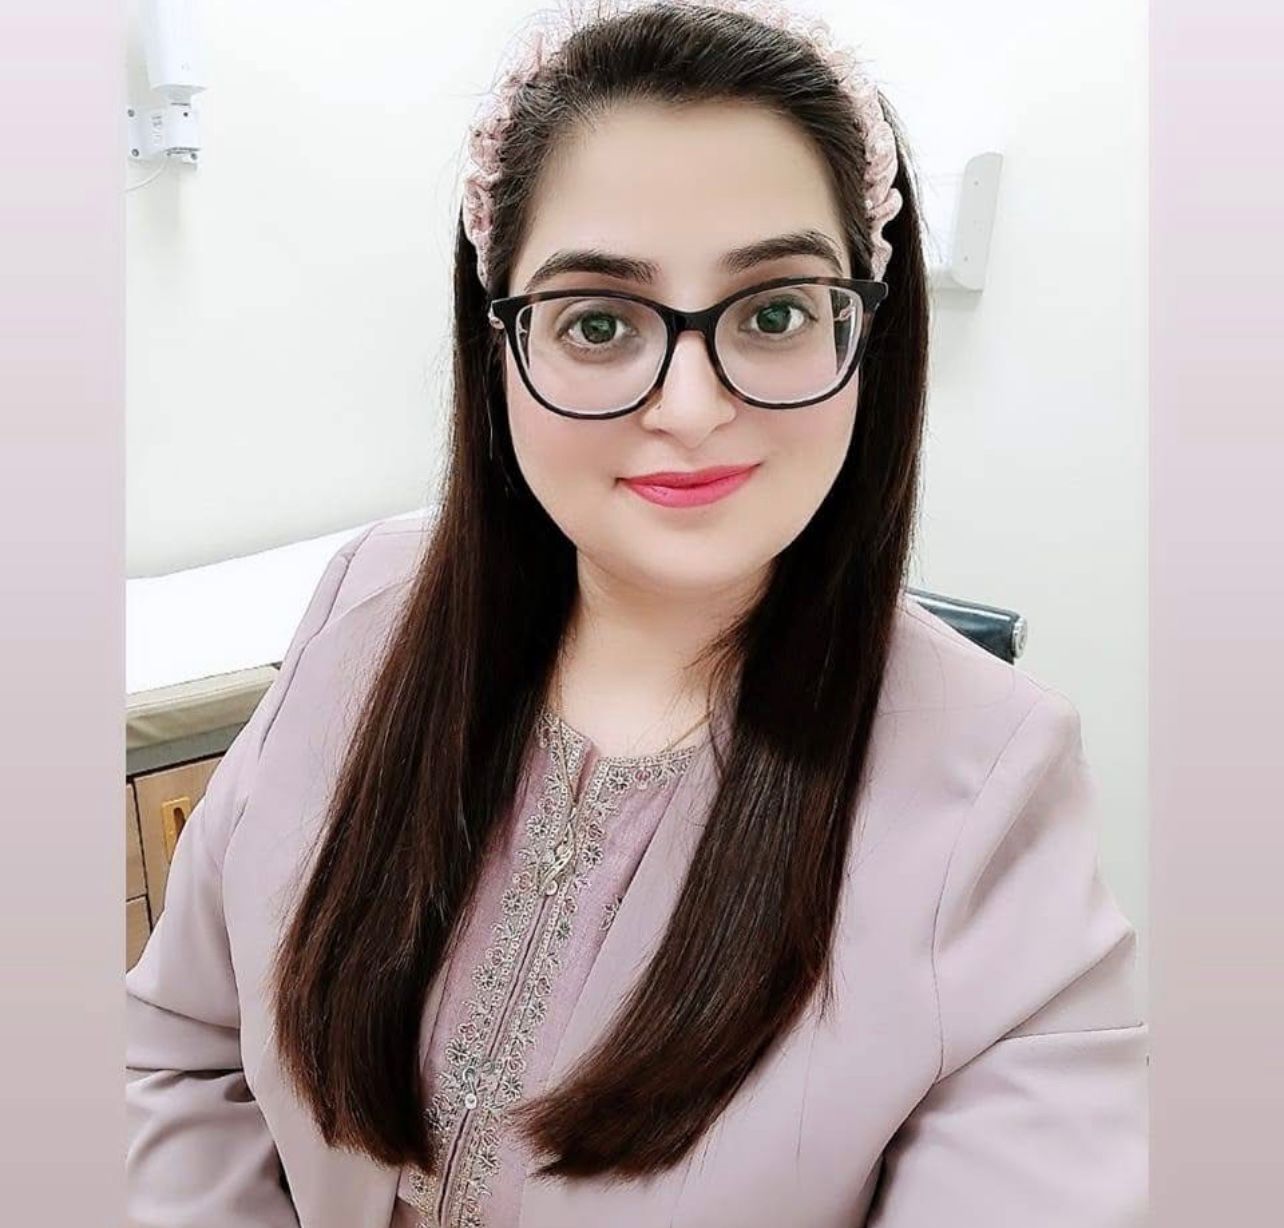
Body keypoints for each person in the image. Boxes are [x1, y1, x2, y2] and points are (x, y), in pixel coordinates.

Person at [125, 2, 1149, 1226]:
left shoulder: (992, 781)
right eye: (600, 323)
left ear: (867, 332)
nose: (691, 406)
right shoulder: (369, 611)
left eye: (773, 312)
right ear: (499, 342)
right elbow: (169, 1052)